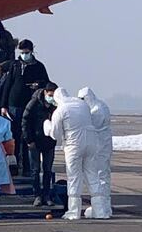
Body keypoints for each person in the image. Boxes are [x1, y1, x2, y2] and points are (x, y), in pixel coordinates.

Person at [0, 40, 50, 176]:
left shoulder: (39, 66)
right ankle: (13, 166)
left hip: (30, 105)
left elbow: (47, 83)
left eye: (26, 52)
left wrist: (38, 85)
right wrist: (3, 105)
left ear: (31, 51)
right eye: (22, 52)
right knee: (13, 136)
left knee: (28, 137)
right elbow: (7, 85)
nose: (24, 55)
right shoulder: (15, 65)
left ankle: (28, 168)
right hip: (13, 105)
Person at [47, 88, 100, 220]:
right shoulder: (83, 105)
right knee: (92, 175)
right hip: (92, 143)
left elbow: (55, 134)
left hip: (74, 145)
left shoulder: (60, 110)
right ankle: (101, 210)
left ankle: (74, 212)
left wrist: (47, 126)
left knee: (74, 177)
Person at [78, 87, 113, 219]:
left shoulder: (97, 110)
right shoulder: (101, 105)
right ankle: (105, 207)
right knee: (103, 177)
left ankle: (101, 208)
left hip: (100, 147)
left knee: (100, 177)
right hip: (102, 146)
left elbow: (91, 125)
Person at [22, 82, 58, 207]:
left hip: (49, 142)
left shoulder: (56, 105)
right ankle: (37, 195)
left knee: (47, 170)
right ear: (45, 92)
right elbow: (25, 121)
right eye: (50, 95)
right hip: (35, 142)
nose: (52, 97)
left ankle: (47, 195)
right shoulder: (34, 103)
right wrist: (28, 140)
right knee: (35, 170)